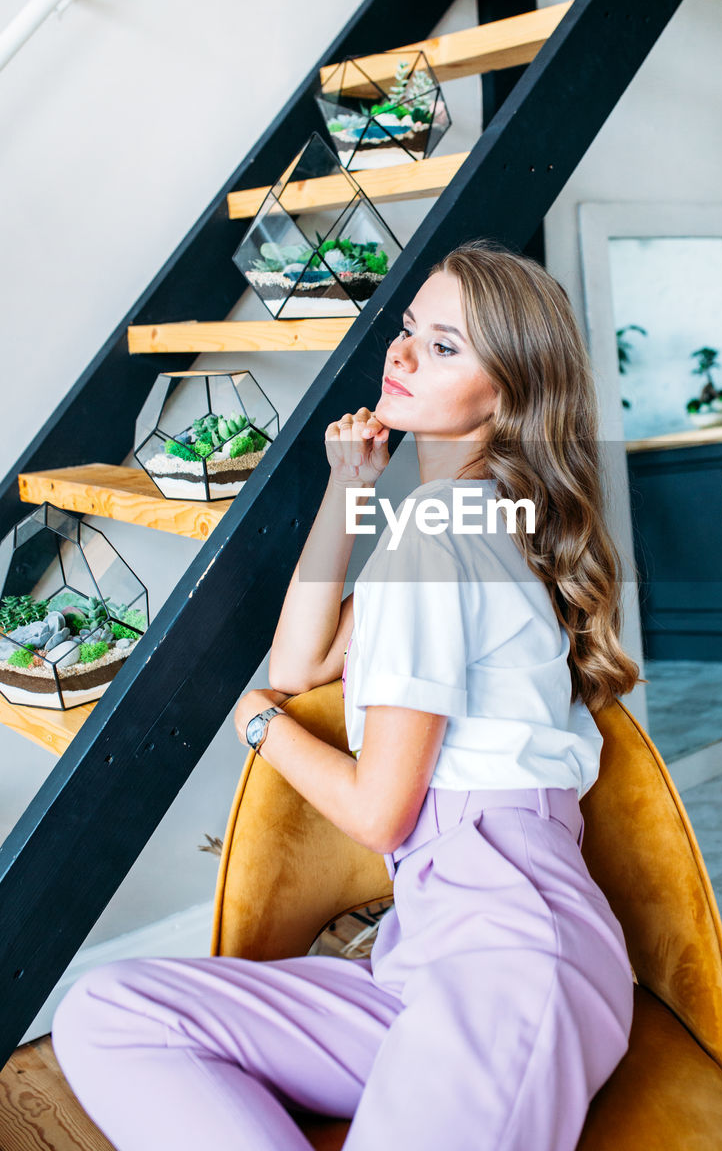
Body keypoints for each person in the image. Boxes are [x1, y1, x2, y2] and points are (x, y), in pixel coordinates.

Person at [53, 241, 640, 1151]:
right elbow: (302, 663)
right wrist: (346, 487)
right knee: (109, 1010)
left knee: (106, 1019)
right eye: (409, 330)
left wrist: (252, 723)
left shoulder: (441, 544)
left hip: (507, 958)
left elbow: (374, 810)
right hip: (424, 957)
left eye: (445, 347)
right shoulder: (456, 522)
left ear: (510, 391)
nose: (400, 355)